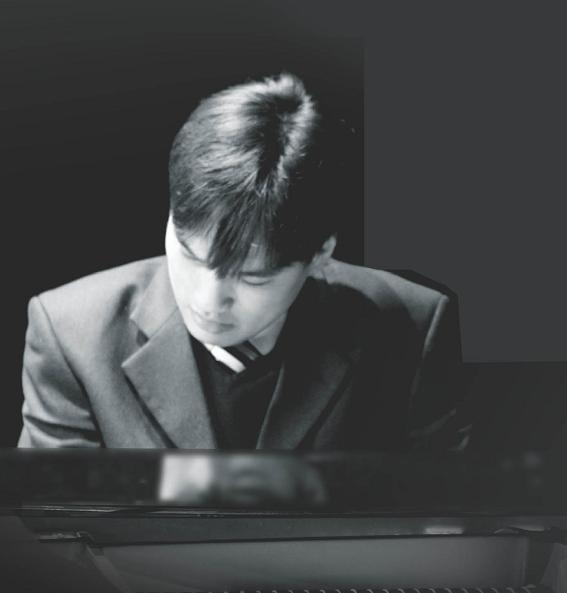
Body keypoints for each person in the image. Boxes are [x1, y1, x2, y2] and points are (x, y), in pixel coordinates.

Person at [18, 73, 468, 450]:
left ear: (321, 254)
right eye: (190, 255)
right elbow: (55, 525)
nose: (208, 301)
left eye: (253, 279)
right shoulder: (70, 333)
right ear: (171, 218)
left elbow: (442, 515)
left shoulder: (413, 327)